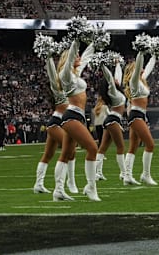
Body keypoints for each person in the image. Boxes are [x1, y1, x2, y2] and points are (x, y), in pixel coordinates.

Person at [57, 39, 101, 201]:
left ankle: (58, 191)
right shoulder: (65, 74)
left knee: (66, 154)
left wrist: (97, 41)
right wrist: (76, 39)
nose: (78, 57)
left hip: (78, 117)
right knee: (92, 148)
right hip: (72, 117)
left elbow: (87, 57)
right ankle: (91, 187)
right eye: (75, 55)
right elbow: (69, 62)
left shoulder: (75, 73)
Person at [32, 53, 70, 195]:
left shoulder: (68, 86)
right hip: (56, 123)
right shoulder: (58, 87)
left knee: (48, 154)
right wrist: (48, 56)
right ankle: (60, 188)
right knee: (69, 151)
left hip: (59, 123)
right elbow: (51, 72)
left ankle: (38, 184)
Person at [123, 47, 159, 186]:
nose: (143, 68)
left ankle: (127, 176)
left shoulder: (142, 80)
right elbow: (139, 64)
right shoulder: (134, 82)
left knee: (133, 146)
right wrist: (141, 52)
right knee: (150, 144)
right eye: (140, 67)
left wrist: (155, 55)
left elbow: (149, 67)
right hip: (136, 115)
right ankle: (145, 175)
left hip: (140, 115)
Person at [95, 61, 129, 183]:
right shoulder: (112, 91)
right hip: (113, 120)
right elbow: (110, 77)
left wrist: (118, 64)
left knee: (102, 148)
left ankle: (97, 173)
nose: (116, 79)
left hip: (110, 120)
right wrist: (103, 65)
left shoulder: (117, 91)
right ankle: (124, 174)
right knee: (120, 147)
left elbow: (117, 76)